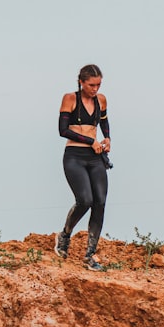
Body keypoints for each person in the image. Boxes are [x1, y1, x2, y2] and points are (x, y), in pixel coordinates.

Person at [55, 64, 111, 271]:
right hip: (75, 156)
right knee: (85, 200)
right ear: (81, 82)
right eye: (91, 85)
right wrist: (89, 140)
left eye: (98, 85)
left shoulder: (101, 100)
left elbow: (104, 121)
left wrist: (107, 138)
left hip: (96, 157)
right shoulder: (70, 98)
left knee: (100, 202)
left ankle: (90, 255)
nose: (95, 89)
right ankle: (65, 235)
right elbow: (62, 130)